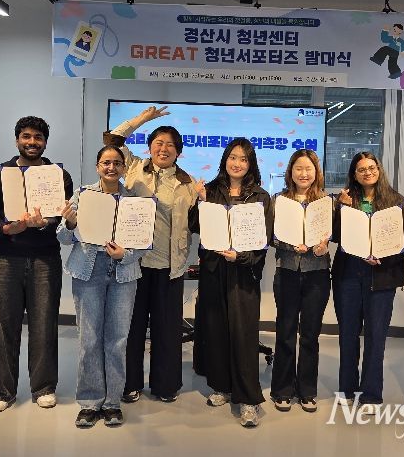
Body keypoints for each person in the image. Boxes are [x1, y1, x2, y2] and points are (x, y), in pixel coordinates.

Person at [0, 116, 73, 414]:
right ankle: (3, 391)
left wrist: (45, 223)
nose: (32, 142)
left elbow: (63, 216)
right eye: (26, 136)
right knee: (3, 327)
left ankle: (43, 388)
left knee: (44, 325)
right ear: (17, 139)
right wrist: (7, 228)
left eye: (38, 137)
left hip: (46, 259)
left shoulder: (59, 175)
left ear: (45, 141)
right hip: (6, 259)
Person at [103, 105, 197, 403]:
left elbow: (194, 224)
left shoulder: (188, 184)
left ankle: (165, 385)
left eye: (170, 145)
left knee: (167, 330)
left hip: (170, 266)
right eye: (158, 143)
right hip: (133, 262)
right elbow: (113, 139)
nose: (163, 149)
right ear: (150, 147)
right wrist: (143, 119)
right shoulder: (132, 167)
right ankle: (129, 383)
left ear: (178, 152)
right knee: (131, 328)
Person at [57, 145, 143, 428]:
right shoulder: (83, 195)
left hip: (123, 274)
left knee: (117, 340)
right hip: (88, 271)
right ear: (97, 167)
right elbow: (63, 238)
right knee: (89, 338)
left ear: (124, 168)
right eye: (106, 162)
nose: (111, 167)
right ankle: (90, 402)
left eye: (117, 163)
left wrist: (125, 254)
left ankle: (112, 403)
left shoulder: (134, 201)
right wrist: (70, 223)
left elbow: (144, 243)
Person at [188, 138, 272, 427]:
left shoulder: (261, 196)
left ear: (251, 164)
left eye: (243, 159)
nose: (237, 163)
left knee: (243, 333)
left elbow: (263, 240)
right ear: (225, 159)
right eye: (233, 157)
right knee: (216, 330)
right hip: (214, 270)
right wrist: (199, 201)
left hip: (243, 272)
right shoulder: (211, 190)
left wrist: (242, 257)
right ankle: (222, 386)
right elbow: (194, 227)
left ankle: (248, 399)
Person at [331, 151, 404, 414]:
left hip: (381, 277)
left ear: (379, 170)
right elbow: (334, 236)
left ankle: (371, 394)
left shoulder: (396, 201)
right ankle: (346, 388)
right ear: (354, 174)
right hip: (348, 275)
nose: (367, 173)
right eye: (361, 169)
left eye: (371, 168)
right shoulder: (345, 199)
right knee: (347, 335)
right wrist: (340, 209)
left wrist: (383, 258)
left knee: (376, 337)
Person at [270, 149, 331, 414]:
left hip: (317, 273)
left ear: (316, 172)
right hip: (287, 272)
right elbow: (271, 237)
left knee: (310, 334)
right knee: (285, 332)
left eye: (308, 169)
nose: (303, 174)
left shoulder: (326, 202)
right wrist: (290, 244)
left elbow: (332, 235)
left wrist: (322, 247)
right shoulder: (279, 200)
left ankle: (307, 390)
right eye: (298, 168)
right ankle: (282, 390)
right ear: (290, 172)